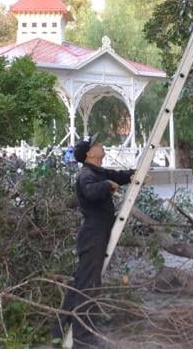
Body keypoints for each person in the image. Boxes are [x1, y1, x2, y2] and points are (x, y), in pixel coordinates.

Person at [54, 137, 134, 346]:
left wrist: (132, 175)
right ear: (90, 154)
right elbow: (90, 191)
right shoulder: (86, 175)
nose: (101, 145)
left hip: (96, 233)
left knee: (81, 282)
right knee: (88, 286)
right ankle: (83, 338)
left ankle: (59, 329)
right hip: (93, 235)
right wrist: (107, 185)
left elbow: (117, 175)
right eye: (96, 145)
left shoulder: (97, 171)